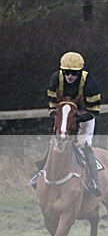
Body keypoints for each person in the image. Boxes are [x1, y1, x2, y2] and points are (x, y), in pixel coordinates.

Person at [31, 51, 102, 196]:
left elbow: (94, 110)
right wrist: (56, 115)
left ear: (80, 72)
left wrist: (77, 118)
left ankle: (94, 180)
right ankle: (39, 173)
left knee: (83, 145)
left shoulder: (90, 83)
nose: (70, 76)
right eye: (67, 72)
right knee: (54, 141)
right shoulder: (55, 79)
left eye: (74, 73)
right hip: (63, 113)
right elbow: (52, 103)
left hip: (84, 115)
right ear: (62, 71)